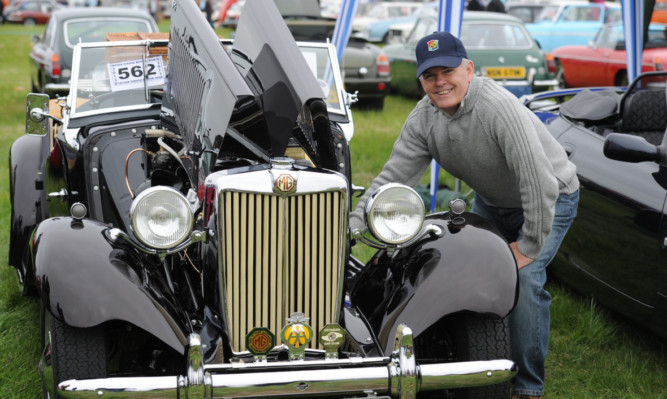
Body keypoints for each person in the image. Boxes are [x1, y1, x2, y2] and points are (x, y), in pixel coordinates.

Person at [349, 31, 580, 399]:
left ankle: (528, 388)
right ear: (421, 80)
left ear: (469, 69)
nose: (440, 82)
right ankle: (485, 351)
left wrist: (528, 247)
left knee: (526, 281)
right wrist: (354, 224)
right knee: (481, 275)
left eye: (448, 71)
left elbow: (539, 183)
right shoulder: (424, 118)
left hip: (551, 197)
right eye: (429, 75)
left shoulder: (497, 108)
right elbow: (393, 177)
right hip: (492, 200)